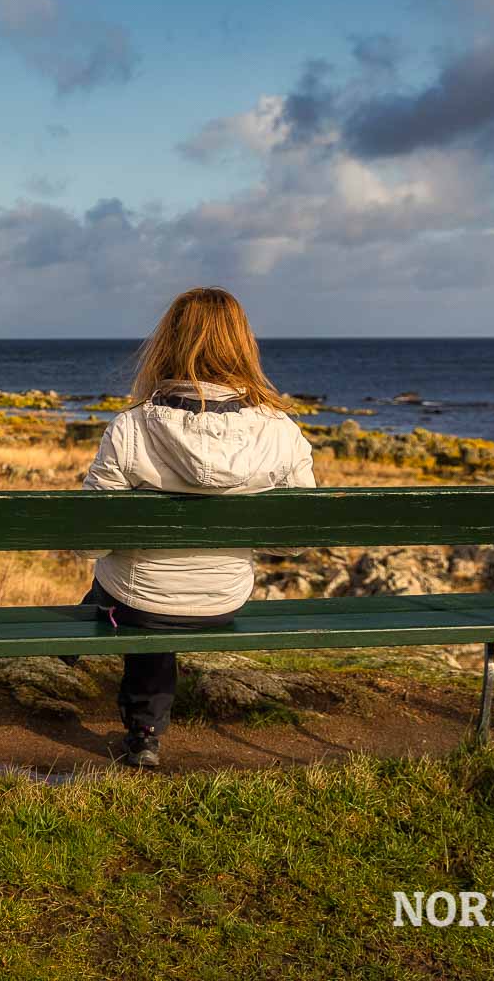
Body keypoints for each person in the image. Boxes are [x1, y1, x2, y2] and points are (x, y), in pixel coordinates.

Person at [81, 287, 315, 768]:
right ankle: (139, 721)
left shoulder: (131, 428)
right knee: (146, 590)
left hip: (141, 602)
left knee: (131, 591)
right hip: (224, 598)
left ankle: (144, 732)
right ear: (243, 345)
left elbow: (90, 541)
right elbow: (292, 540)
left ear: (167, 342)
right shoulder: (281, 431)